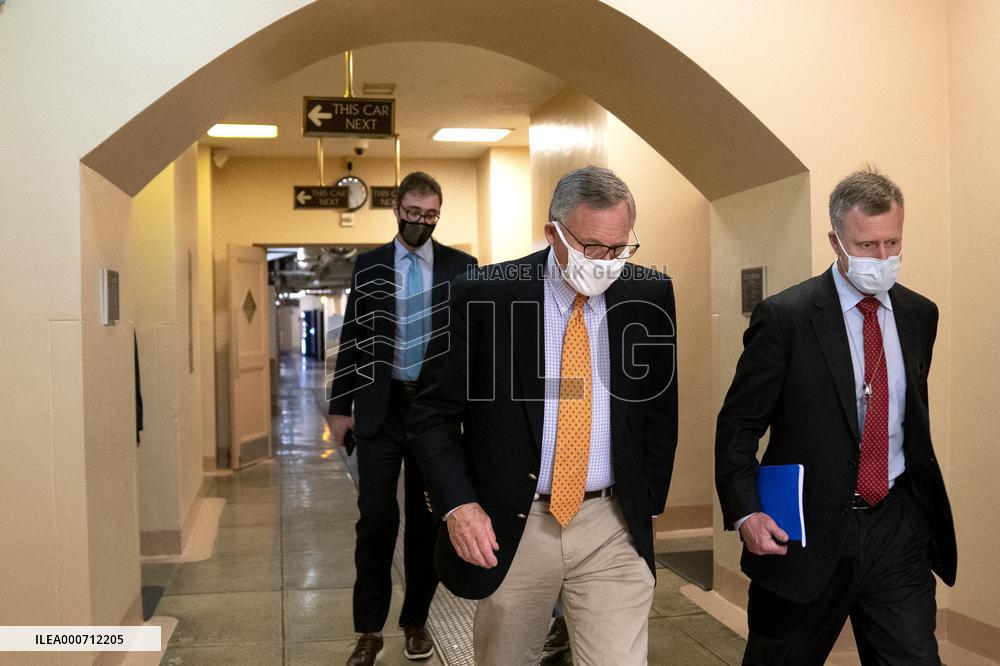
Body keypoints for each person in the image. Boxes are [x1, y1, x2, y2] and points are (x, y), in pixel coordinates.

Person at [409, 165, 678, 664]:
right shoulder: (485, 294)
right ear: (554, 232)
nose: (604, 262)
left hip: (610, 523)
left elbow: (659, 407)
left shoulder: (648, 295)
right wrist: (459, 505)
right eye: (591, 247)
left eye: (619, 249)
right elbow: (432, 415)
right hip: (516, 520)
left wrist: (648, 501)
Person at [715, 167, 957, 664]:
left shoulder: (918, 314)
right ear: (836, 239)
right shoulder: (786, 318)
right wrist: (746, 512)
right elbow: (738, 426)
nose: (884, 258)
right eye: (867, 246)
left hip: (896, 527)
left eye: (893, 242)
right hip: (806, 534)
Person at [326, 171, 478, 666]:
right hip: (380, 406)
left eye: (430, 215)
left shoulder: (462, 267)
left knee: (427, 521)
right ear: (397, 209)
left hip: (434, 410)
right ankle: (368, 631)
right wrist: (339, 406)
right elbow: (354, 337)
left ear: (438, 213)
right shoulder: (369, 266)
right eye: (412, 214)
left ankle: (415, 621)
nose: (420, 223)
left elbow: (472, 346)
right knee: (376, 518)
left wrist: (475, 412)